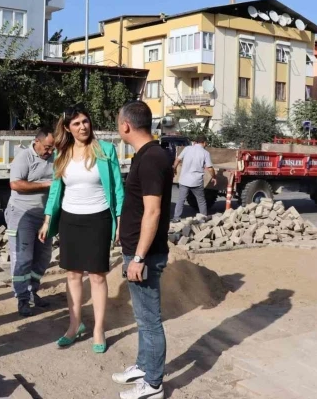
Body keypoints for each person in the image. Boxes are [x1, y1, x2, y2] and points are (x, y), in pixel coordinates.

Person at [38, 104, 124, 354]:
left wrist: (119, 218)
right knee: (73, 275)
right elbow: (55, 190)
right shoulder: (61, 154)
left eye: (85, 121)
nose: (82, 126)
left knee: (97, 276)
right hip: (70, 220)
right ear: (67, 128)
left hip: (98, 219)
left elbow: (118, 186)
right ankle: (75, 326)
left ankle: (98, 328)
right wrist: (47, 219)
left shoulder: (105, 150)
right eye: (76, 123)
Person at [111, 101, 173, 399]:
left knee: (150, 319)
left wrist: (138, 257)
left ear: (126, 125)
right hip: (137, 250)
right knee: (143, 317)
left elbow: (152, 212)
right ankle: (144, 366)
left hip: (144, 255)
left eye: (117, 123)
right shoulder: (147, 155)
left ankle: (153, 385)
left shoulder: (151, 159)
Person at [5, 127, 55, 317]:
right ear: (37, 142)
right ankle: (22, 299)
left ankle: (33, 292)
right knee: (23, 258)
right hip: (22, 214)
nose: (49, 152)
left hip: (45, 217)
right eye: (47, 147)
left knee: (42, 257)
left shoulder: (54, 158)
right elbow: (15, 184)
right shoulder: (24, 157)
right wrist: (46, 184)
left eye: (52, 148)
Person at [172, 134, 216, 222]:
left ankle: (176, 218)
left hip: (184, 180)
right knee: (201, 200)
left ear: (195, 142)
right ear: (204, 143)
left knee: (181, 199)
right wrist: (214, 177)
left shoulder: (187, 149)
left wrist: (174, 169)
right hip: (196, 181)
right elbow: (210, 168)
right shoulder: (205, 153)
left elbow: (177, 159)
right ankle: (203, 218)